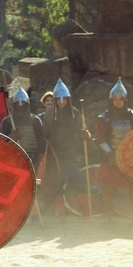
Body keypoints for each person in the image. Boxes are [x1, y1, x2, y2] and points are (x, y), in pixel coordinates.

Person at [94, 79, 133, 220]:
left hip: (131, 156)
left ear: (125, 100)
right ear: (111, 100)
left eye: (120, 99)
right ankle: (108, 214)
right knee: (110, 185)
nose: (118, 102)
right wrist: (110, 153)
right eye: (115, 99)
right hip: (111, 155)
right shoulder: (104, 118)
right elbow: (100, 138)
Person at [41, 79, 90, 222]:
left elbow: (83, 130)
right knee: (59, 185)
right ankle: (61, 217)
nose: (62, 101)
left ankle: (86, 215)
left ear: (68, 99)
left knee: (79, 184)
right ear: (56, 99)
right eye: (59, 99)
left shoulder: (74, 113)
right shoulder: (50, 115)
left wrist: (85, 135)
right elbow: (45, 135)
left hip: (71, 154)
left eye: (64, 98)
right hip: (57, 156)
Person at [0, 88, 46, 167]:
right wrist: (11, 137)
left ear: (27, 104)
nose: (20, 106)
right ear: (14, 105)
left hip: (33, 158)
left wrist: (40, 157)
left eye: (23, 103)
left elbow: (41, 140)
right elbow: (0, 143)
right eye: (18, 103)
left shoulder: (35, 121)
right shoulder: (7, 122)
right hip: (13, 159)